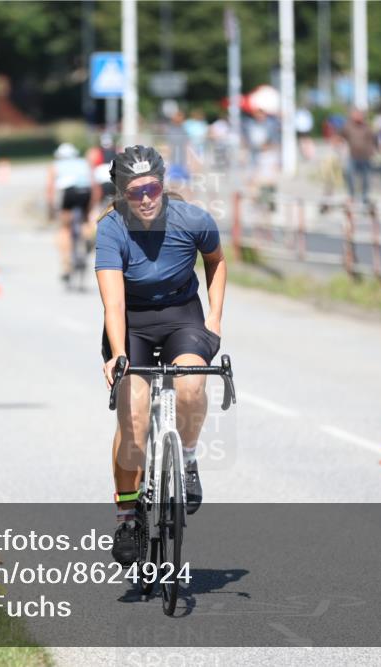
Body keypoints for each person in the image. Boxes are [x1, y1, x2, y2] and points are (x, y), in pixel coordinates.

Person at [95, 145, 227, 566]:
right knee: (132, 415)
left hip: (181, 316)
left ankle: (187, 459)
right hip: (131, 321)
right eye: (135, 192)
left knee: (190, 386)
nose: (147, 198)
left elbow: (216, 262)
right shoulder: (111, 229)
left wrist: (215, 321)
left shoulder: (193, 220)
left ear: (163, 184)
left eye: (152, 187)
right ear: (121, 195)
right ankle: (127, 514)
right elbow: (113, 304)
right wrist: (118, 354)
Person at [46, 143, 99, 283]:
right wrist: (91, 207)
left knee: (64, 228)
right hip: (85, 192)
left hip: (68, 193)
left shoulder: (56, 165)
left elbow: (50, 189)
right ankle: (88, 238)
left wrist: (51, 209)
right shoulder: (84, 163)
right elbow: (94, 186)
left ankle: (66, 267)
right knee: (85, 221)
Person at [340, 108, 375, 203]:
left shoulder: (366, 126)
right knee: (349, 174)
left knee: (366, 177)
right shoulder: (348, 127)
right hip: (352, 155)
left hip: (365, 156)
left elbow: (373, 139)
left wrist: (372, 150)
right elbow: (341, 137)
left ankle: (365, 196)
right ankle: (351, 194)